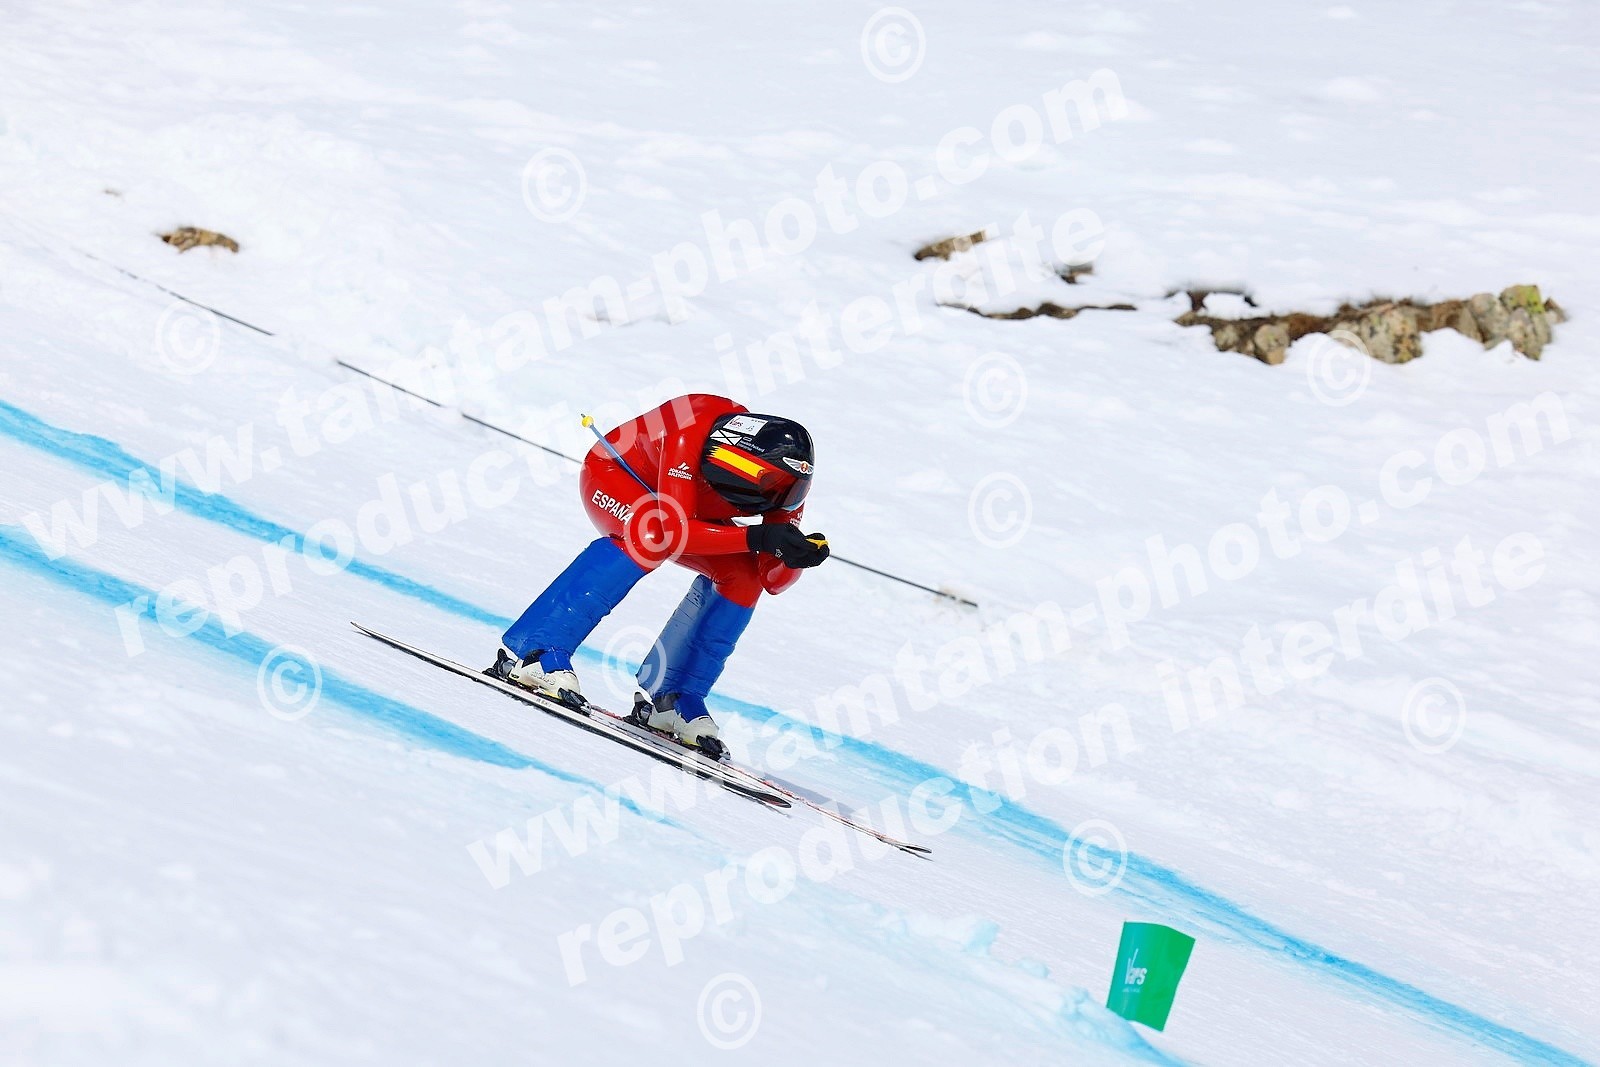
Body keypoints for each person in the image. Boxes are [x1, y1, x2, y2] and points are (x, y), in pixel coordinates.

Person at [486, 393, 829, 757]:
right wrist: (758, 537)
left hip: (683, 512)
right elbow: (673, 532)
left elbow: (770, 580)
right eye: (772, 487)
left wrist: (795, 557)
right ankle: (538, 650)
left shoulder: (786, 483)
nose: (781, 498)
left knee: (743, 577)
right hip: (616, 475)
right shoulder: (690, 427)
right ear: (740, 465)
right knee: (649, 532)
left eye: (791, 490)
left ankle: (675, 696)